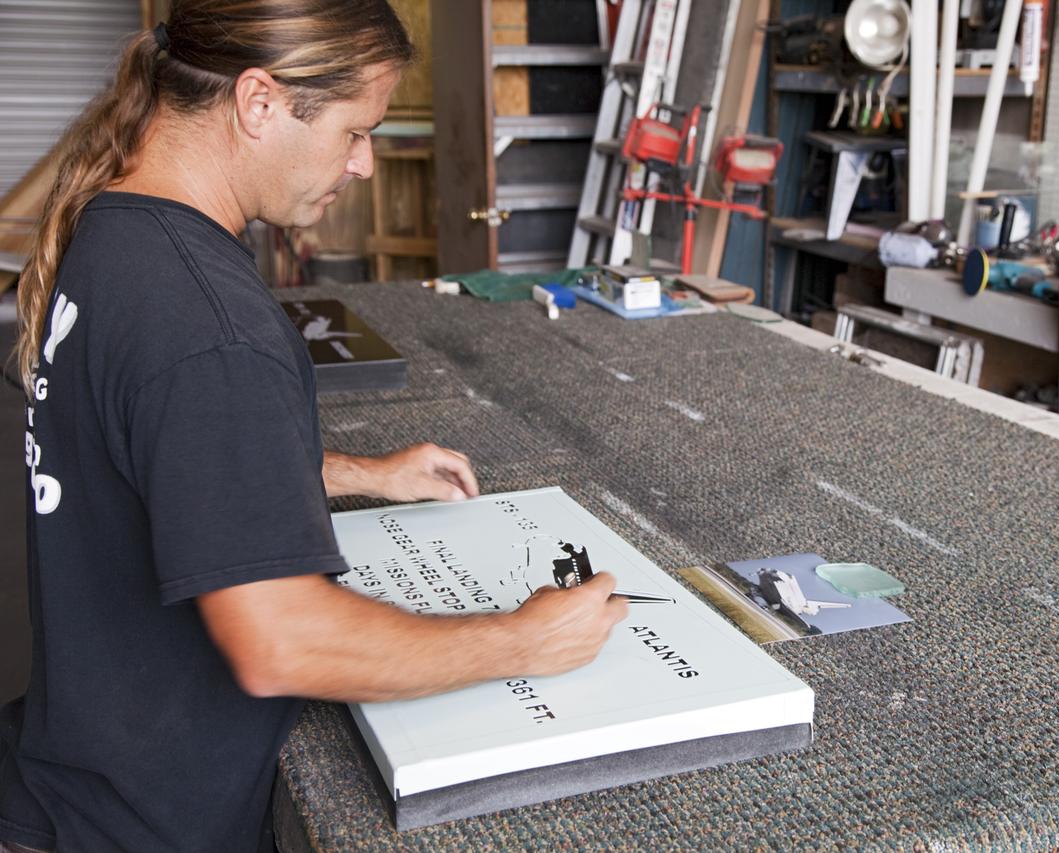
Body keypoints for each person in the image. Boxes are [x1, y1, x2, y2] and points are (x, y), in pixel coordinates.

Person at [1, 3, 628, 851]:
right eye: (355, 130)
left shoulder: (116, 232)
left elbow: (149, 445)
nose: (366, 163)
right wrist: (524, 637)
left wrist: (356, 471)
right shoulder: (208, 322)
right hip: (136, 825)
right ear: (259, 102)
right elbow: (277, 637)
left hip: (72, 770)